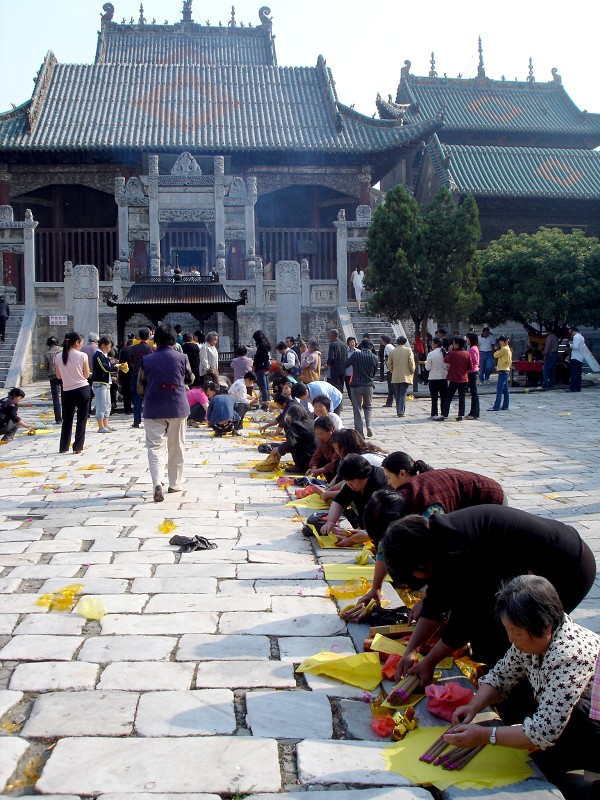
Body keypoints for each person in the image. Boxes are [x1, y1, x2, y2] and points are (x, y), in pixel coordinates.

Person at [382, 505, 596, 688]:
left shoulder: (455, 552)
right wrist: (412, 649)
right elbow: (437, 600)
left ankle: (534, 703)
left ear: (418, 565)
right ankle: (501, 686)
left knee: (523, 637)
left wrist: (429, 662)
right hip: (545, 559)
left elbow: (465, 619)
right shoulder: (438, 544)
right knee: (499, 638)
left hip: (567, 567)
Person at [446, 575, 600, 798]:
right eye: (509, 630)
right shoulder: (535, 635)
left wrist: (484, 735)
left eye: (516, 633)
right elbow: (501, 675)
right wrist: (474, 705)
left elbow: (543, 731)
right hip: (570, 719)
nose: (511, 639)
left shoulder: (569, 656)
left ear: (545, 627)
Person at [137, 323, 194, 502]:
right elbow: (190, 378)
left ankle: (157, 483)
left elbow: (140, 386)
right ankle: (175, 483)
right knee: (176, 446)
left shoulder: (147, 360)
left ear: (156, 340)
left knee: (155, 448)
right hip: (177, 406)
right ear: (172, 339)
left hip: (153, 408)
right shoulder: (182, 357)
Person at [320, 454, 388, 534]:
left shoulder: (379, 485)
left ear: (361, 476)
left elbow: (381, 522)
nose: (348, 484)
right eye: (346, 481)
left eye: (350, 481)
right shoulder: (353, 482)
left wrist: (357, 537)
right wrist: (330, 522)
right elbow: (339, 501)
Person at [54, 331, 91, 454]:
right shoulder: (82, 356)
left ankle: (64, 446)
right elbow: (86, 374)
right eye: (81, 343)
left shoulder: (58, 356)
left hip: (67, 390)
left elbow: (58, 376)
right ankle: (78, 447)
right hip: (82, 389)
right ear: (76, 343)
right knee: (81, 418)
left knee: (67, 419)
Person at [266, 403, 318, 474]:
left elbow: (290, 443)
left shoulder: (296, 425)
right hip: (315, 460)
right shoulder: (312, 422)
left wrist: (279, 450)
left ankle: (300, 467)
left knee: (292, 445)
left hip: (307, 459)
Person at [344, 338, 378, 437]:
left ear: (361, 346)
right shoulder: (374, 357)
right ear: (371, 347)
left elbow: (345, 364)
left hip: (356, 384)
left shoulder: (356, 354)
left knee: (357, 408)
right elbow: (374, 373)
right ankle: (369, 425)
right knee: (368, 407)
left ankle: (359, 432)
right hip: (369, 385)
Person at [437, 336, 471, 421]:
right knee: (461, 397)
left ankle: (444, 414)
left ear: (457, 344)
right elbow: (470, 366)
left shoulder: (453, 353)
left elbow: (446, 360)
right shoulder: (467, 354)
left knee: (449, 397)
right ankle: (461, 414)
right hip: (463, 378)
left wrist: (448, 351)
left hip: (454, 378)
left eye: (454, 343)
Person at [92, 336, 119, 433]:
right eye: (109, 346)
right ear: (103, 345)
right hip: (100, 383)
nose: (110, 348)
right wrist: (115, 368)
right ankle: (100, 426)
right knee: (101, 404)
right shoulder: (98, 355)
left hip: (106, 382)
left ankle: (106, 424)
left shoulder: (104, 355)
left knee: (107, 404)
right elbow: (105, 368)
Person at [128, 327, 154, 429]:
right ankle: (150, 419)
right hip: (148, 375)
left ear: (138, 336)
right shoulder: (151, 349)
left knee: (137, 397)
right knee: (149, 397)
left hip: (136, 374)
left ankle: (136, 421)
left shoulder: (133, 348)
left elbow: (130, 362)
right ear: (149, 336)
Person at [387, 336, 415, 418]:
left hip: (395, 375)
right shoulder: (408, 351)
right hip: (405, 375)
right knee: (403, 393)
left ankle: (398, 410)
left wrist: (392, 370)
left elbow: (389, 364)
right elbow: (411, 363)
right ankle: (401, 411)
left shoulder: (393, 352)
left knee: (397, 393)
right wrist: (412, 370)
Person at [306, 415, 341, 481]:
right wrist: (314, 468)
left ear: (331, 430)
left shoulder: (338, 439)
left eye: (322, 434)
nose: (319, 437)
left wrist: (319, 471)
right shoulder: (323, 441)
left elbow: (336, 461)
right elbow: (316, 456)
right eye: (318, 434)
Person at [424, 337, 448, 419]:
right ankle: (444, 413)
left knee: (434, 398)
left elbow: (427, 367)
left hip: (433, 378)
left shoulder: (431, 354)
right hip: (443, 377)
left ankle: (434, 413)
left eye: (432, 343)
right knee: (443, 397)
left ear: (436, 344)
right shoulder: (445, 353)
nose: (431, 345)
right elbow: (447, 365)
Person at [489, 335, 512, 412]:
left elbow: (495, 355)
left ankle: (496, 406)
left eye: (502, 341)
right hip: (506, 370)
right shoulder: (508, 348)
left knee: (499, 390)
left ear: (505, 342)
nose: (500, 342)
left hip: (503, 370)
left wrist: (496, 350)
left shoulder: (504, 349)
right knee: (505, 390)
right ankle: (505, 405)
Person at [44, 336, 63, 424]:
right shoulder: (63, 350)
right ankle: (66, 415)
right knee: (65, 396)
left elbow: (46, 367)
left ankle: (58, 418)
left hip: (53, 377)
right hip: (63, 375)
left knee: (56, 398)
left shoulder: (47, 353)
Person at [252, 330, 272, 407]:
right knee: (266, 386)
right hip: (266, 367)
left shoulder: (261, 346)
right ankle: (267, 401)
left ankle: (265, 403)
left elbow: (258, 358)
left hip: (260, 367)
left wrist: (254, 365)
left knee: (263, 387)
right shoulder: (266, 344)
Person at [326, 329, 347, 395]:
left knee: (334, 388)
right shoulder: (344, 345)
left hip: (335, 369)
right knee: (341, 387)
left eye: (329, 335)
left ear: (332, 335)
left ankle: (336, 404)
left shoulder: (333, 345)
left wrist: (328, 364)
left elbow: (331, 357)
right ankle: (340, 403)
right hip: (343, 369)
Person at [465, 331, 480, 420]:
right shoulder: (474, 348)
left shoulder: (473, 349)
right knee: (473, 393)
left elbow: (474, 361)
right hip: (472, 371)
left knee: (474, 393)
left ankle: (474, 412)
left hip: (472, 372)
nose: (466, 340)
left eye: (467, 338)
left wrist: (467, 366)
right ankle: (473, 411)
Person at [568, 326, 585, 392]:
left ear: (573, 331)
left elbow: (575, 347)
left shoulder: (576, 337)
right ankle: (578, 387)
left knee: (574, 373)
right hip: (580, 357)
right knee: (578, 373)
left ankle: (573, 387)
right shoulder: (582, 337)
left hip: (575, 357)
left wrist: (570, 346)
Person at [380, 335, 395, 407]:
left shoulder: (388, 347)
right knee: (391, 387)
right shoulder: (390, 346)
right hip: (390, 369)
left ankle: (390, 401)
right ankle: (389, 401)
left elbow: (390, 357)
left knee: (391, 386)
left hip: (390, 369)